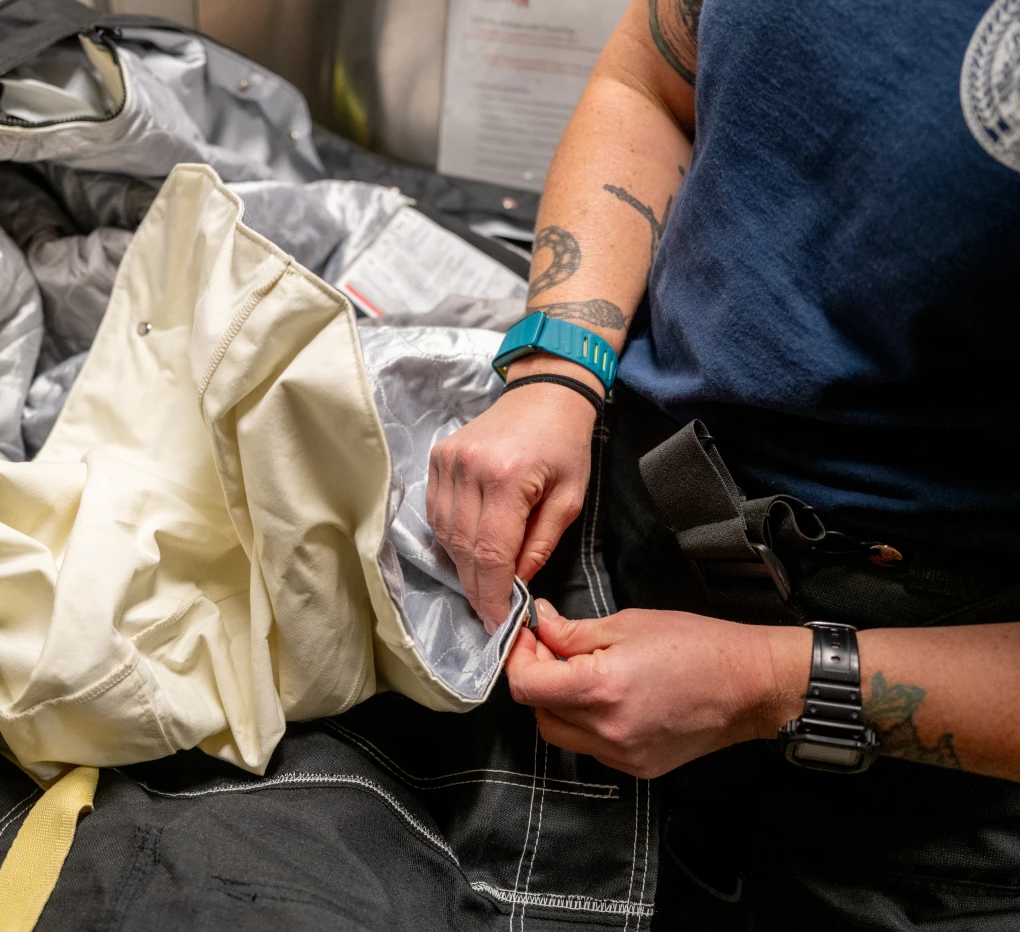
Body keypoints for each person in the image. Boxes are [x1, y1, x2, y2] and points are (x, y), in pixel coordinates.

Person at [427, 0, 1020, 927]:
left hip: (908, 781)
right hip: (628, 536)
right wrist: (558, 367)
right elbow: (652, 81)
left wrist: (764, 684)